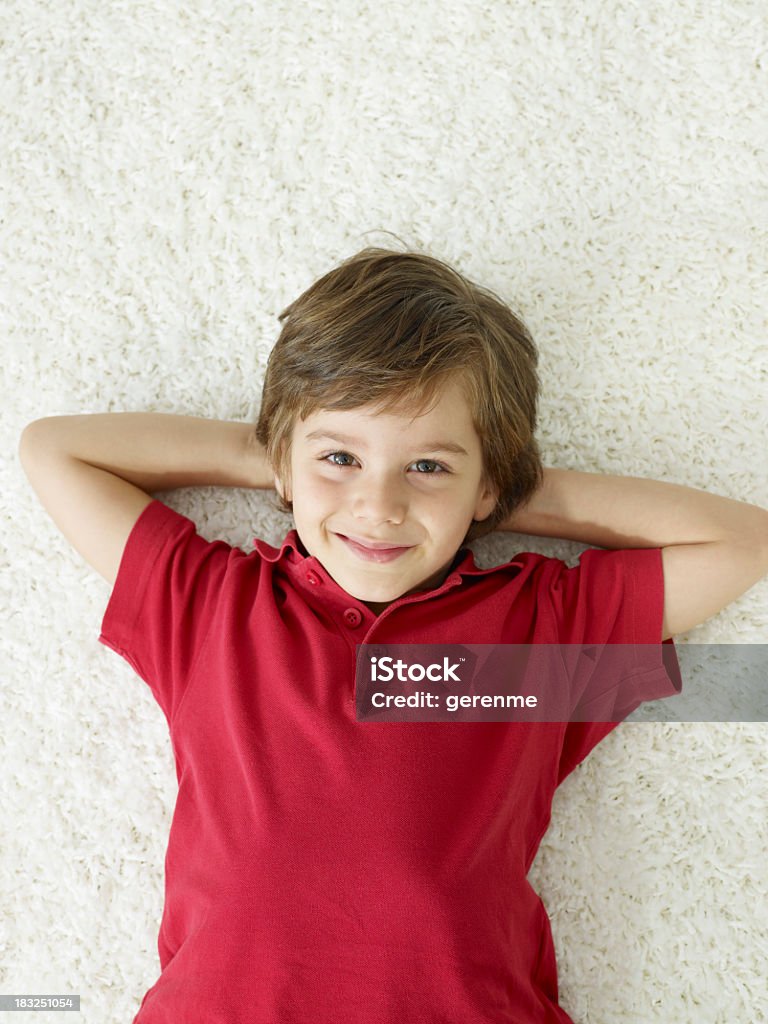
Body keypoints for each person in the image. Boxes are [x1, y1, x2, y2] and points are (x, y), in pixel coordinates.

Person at [18, 246, 768, 1023]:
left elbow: (741, 542)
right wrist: (279, 457)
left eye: (429, 468)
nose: (378, 507)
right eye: (340, 458)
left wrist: (498, 486)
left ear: (487, 483)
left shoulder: (538, 634)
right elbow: (54, 450)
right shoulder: (213, 608)